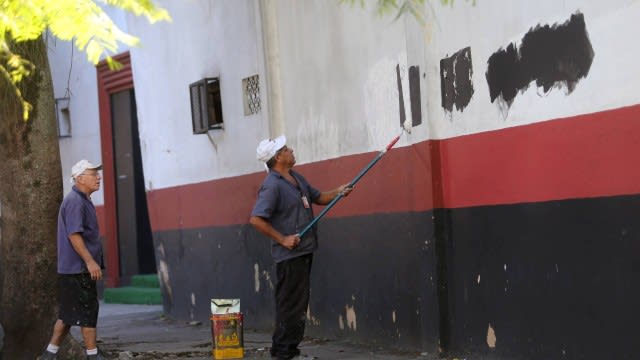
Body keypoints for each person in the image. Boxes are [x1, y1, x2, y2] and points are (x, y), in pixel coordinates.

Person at [249, 135, 352, 360]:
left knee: (297, 304)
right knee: (290, 305)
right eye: (286, 149)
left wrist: (339, 192)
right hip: (289, 255)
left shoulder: (296, 178)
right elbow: (256, 219)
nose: (291, 150)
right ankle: (283, 353)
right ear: (278, 157)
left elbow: (319, 197)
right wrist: (283, 239)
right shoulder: (272, 186)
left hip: (304, 250)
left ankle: (287, 351)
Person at [40, 160, 107, 360]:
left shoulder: (82, 199)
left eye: (98, 174)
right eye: (93, 174)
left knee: (67, 315)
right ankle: (92, 355)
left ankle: (49, 355)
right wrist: (90, 261)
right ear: (79, 179)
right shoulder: (75, 201)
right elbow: (74, 235)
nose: (98, 177)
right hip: (77, 269)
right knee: (87, 312)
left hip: (73, 269)